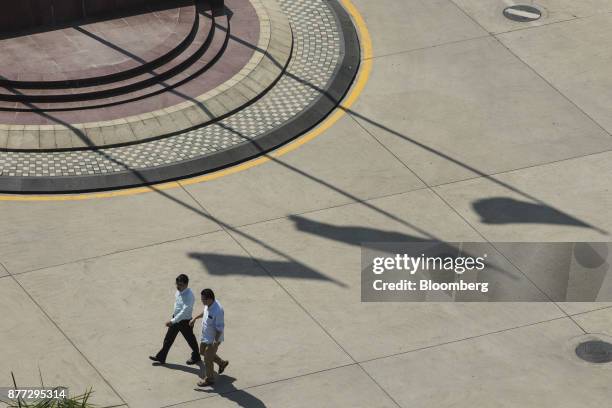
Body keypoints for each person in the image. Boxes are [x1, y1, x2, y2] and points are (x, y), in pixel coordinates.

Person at [149, 274, 201, 365]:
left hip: (185, 322)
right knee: (168, 339)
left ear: (186, 285)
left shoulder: (189, 296)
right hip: (176, 319)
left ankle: (196, 356)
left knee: (190, 340)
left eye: (180, 285)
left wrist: (172, 321)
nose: (178, 286)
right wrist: (173, 317)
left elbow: (185, 311)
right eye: (177, 284)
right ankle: (161, 357)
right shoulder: (178, 292)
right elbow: (177, 305)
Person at [190, 288, 229, 386]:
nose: (202, 301)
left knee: (207, 358)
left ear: (210, 299)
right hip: (206, 336)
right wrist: (195, 318)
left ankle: (209, 379)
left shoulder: (218, 310)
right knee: (202, 352)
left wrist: (214, 343)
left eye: (203, 299)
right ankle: (222, 363)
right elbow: (205, 313)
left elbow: (220, 328)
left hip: (213, 339)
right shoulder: (208, 305)